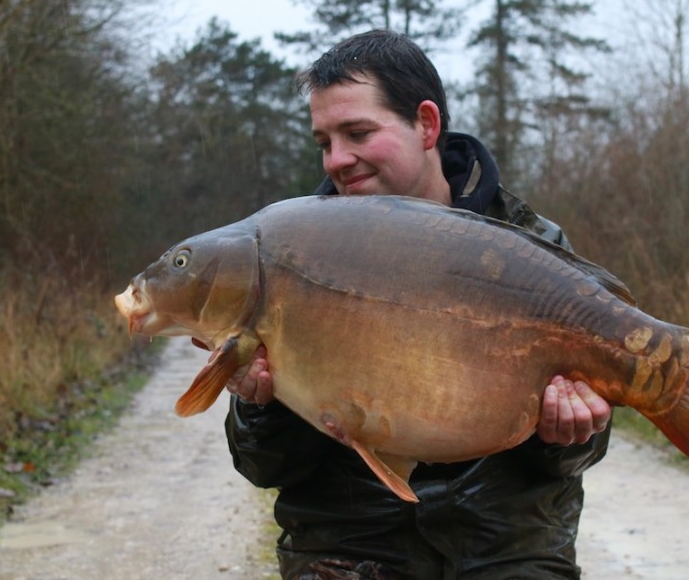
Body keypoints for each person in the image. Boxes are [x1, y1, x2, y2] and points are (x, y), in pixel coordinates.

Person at [225, 29, 613, 580]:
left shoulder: (533, 250)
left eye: (357, 132)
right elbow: (264, 469)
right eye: (323, 141)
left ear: (426, 124)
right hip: (348, 549)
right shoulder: (289, 258)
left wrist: (566, 434)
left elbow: (581, 456)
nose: (337, 160)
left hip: (505, 552)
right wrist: (259, 404)